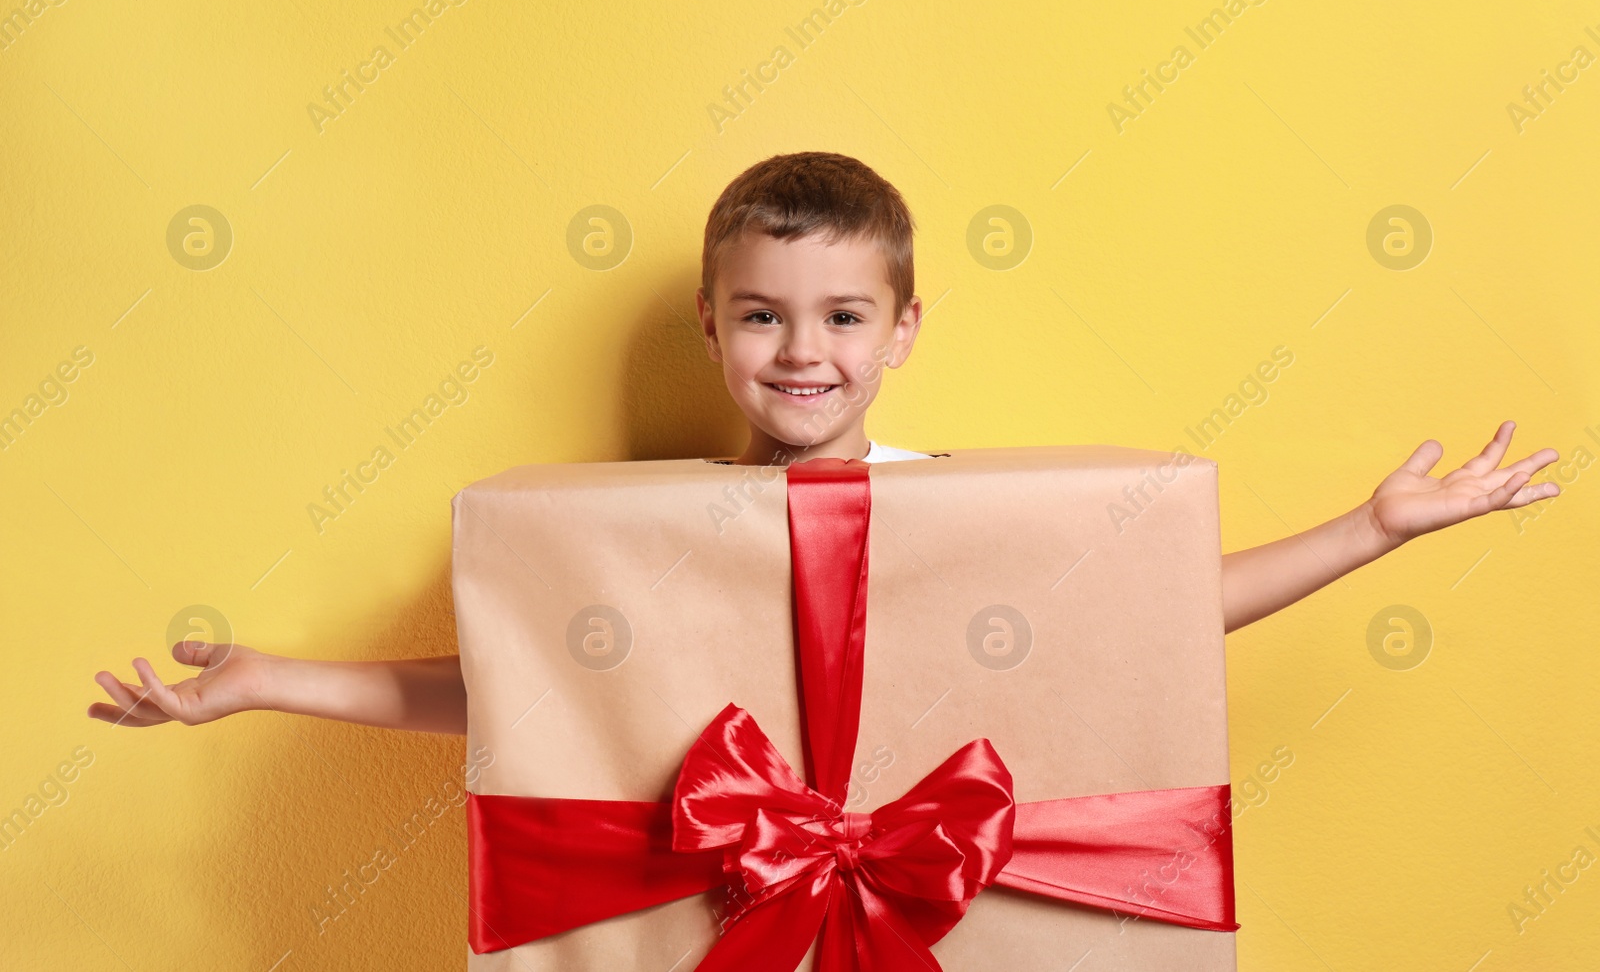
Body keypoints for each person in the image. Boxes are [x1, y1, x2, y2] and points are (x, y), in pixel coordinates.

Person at [86, 152, 1562, 735]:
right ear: (714, 335)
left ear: (905, 330)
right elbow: (521, 698)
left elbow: (1156, 615)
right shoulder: (656, 533)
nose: (805, 352)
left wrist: (1371, 530)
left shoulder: (969, 516)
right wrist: (271, 680)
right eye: (764, 316)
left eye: (845, 316)